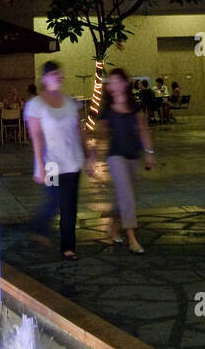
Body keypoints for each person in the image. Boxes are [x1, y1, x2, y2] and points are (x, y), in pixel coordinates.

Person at [25, 60, 94, 261]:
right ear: (44, 78)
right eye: (54, 73)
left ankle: (68, 247)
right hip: (52, 163)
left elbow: (79, 130)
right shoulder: (35, 105)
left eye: (59, 73)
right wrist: (39, 166)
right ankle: (38, 228)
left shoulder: (71, 102)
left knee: (69, 205)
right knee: (53, 199)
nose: (58, 76)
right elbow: (36, 135)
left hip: (72, 162)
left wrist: (89, 153)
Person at [99, 68, 154, 255]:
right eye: (110, 83)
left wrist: (149, 153)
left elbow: (144, 130)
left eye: (115, 81)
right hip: (115, 156)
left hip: (132, 156)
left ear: (125, 83)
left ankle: (113, 226)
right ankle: (132, 238)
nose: (111, 86)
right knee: (126, 194)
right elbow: (99, 135)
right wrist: (91, 157)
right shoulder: (107, 111)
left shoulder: (135, 108)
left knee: (124, 196)